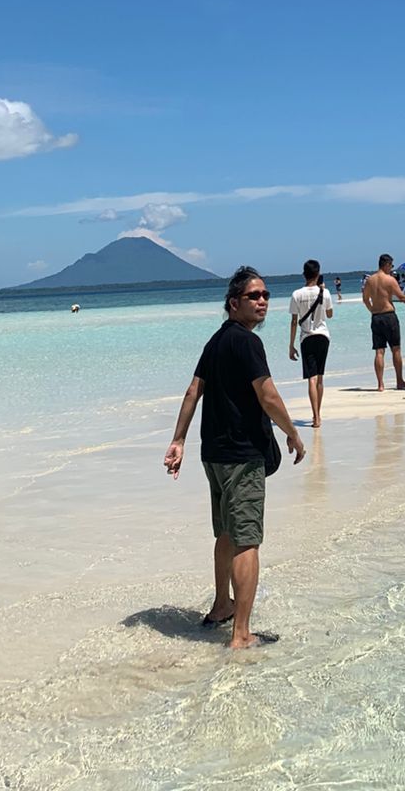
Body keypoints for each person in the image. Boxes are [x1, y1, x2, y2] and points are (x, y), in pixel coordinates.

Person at [163, 266, 305, 650]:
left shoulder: (216, 341)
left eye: (265, 296)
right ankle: (241, 635)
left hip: (214, 456)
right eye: (253, 296)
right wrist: (293, 433)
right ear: (233, 303)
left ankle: (222, 605)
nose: (262, 302)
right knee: (247, 541)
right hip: (242, 458)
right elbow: (268, 395)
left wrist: (179, 439)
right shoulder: (246, 342)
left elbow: (194, 391)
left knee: (226, 532)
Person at [361, 254, 405, 391]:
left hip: (376, 317)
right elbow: (402, 297)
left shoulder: (370, 280)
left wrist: (372, 311)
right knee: (396, 349)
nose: (391, 268)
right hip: (389, 316)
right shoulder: (390, 280)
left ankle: (380, 384)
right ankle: (399, 381)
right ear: (386, 264)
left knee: (379, 351)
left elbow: (365, 299)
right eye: (391, 266)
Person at [288, 258, 334, 428]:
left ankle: (314, 416)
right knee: (320, 377)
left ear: (304, 274)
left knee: (311, 379)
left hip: (306, 337)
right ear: (318, 274)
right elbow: (329, 315)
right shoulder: (326, 293)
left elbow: (294, 321)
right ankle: (318, 416)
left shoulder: (296, 294)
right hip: (323, 336)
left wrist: (291, 345)